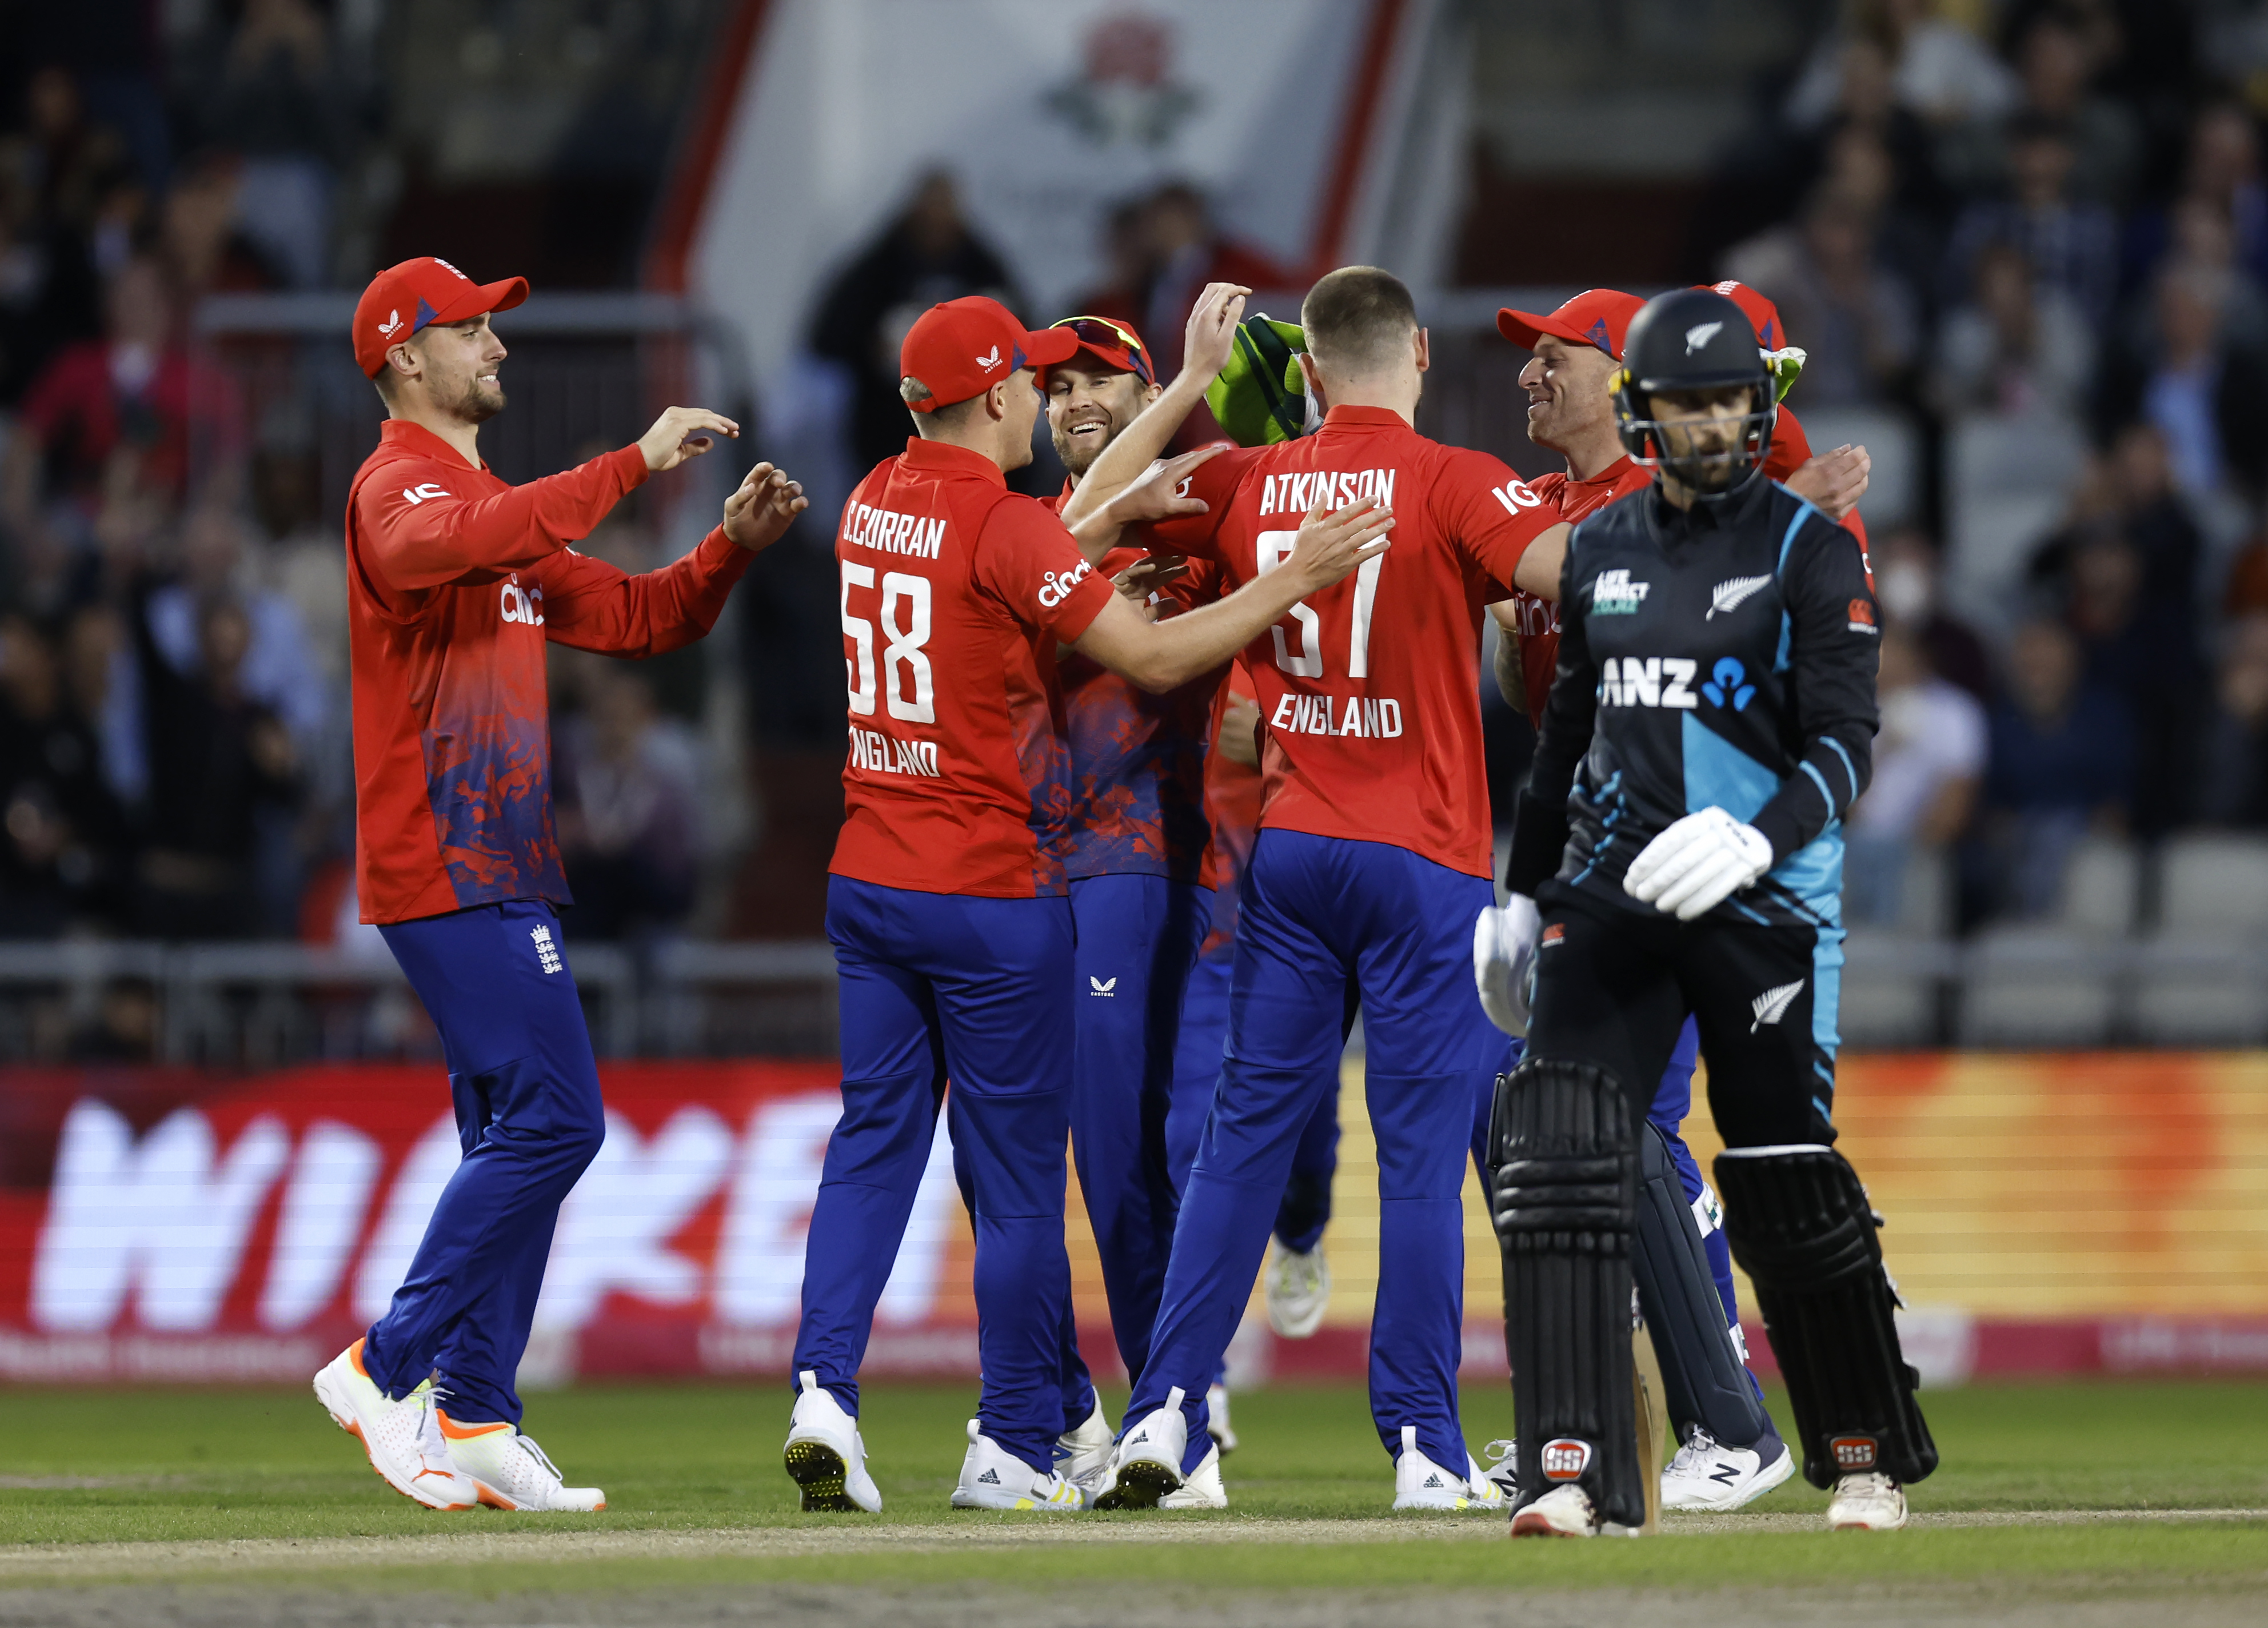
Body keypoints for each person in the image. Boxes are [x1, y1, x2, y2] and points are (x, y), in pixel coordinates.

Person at [781, 293, 1392, 1516]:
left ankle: (1166, 1401)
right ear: (1008, 398)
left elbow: (1297, 620)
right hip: (1028, 867)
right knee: (1044, 1162)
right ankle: (1073, 1410)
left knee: (1132, 1148)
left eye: (1094, 379)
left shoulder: (1196, 498)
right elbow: (1058, 539)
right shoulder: (1046, 524)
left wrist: (1268, 682)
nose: (1069, 400)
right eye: (1049, 384)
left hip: (1154, 856)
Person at [310, 255, 810, 1514]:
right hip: (443, 857)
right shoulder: (393, 489)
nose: (499, 348)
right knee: (560, 1121)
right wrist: (631, 461)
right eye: (474, 329)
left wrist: (728, 549)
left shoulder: (492, 504)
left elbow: (645, 618)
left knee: (508, 1132)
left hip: (503, 861)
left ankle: (476, 1411)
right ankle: (386, 1364)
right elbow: (473, 538)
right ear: (402, 355)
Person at [1071, 266, 1574, 1514]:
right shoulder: (1451, 478)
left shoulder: (1246, 478)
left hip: (1289, 852)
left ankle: (1168, 1414)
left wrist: (1188, 384)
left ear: (1303, 370)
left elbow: (1076, 523)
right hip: (1424, 856)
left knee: (1240, 1144)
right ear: (1412, 352)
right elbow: (1564, 570)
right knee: (1417, 1160)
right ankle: (1420, 1440)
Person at [1495, 286, 1934, 1538]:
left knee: (1782, 1174)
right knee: (1562, 1152)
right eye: (1680, 400)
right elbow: (1564, 733)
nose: (1703, 422)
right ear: (1640, 411)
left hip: (1764, 902)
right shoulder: (1601, 547)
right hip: (1616, 889)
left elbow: (1849, 743)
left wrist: (1754, 832)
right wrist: (1522, 897)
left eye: (1725, 398)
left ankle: (1859, 1456)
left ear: (1759, 406)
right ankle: (1570, 1468)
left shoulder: (1812, 547)